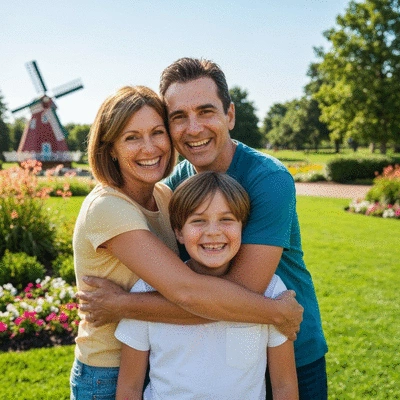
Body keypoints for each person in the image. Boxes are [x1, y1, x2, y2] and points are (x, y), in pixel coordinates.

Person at [77, 58, 318, 398]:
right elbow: (203, 298)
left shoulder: (268, 180)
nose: (192, 128)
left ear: (229, 115)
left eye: (205, 111)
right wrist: (274, 311)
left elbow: (232, 296)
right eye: (178, 117)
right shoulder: (175, 185)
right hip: (183, 354)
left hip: (287, 346)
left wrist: (122, 305)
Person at [115, 171, 298, 400]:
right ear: (179, 232)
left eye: (227, 219)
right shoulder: (146, 293)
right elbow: (130, 387)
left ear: (243, 227)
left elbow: (283, 385)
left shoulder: (271, 292)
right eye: (198, 221)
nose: (213, 232)